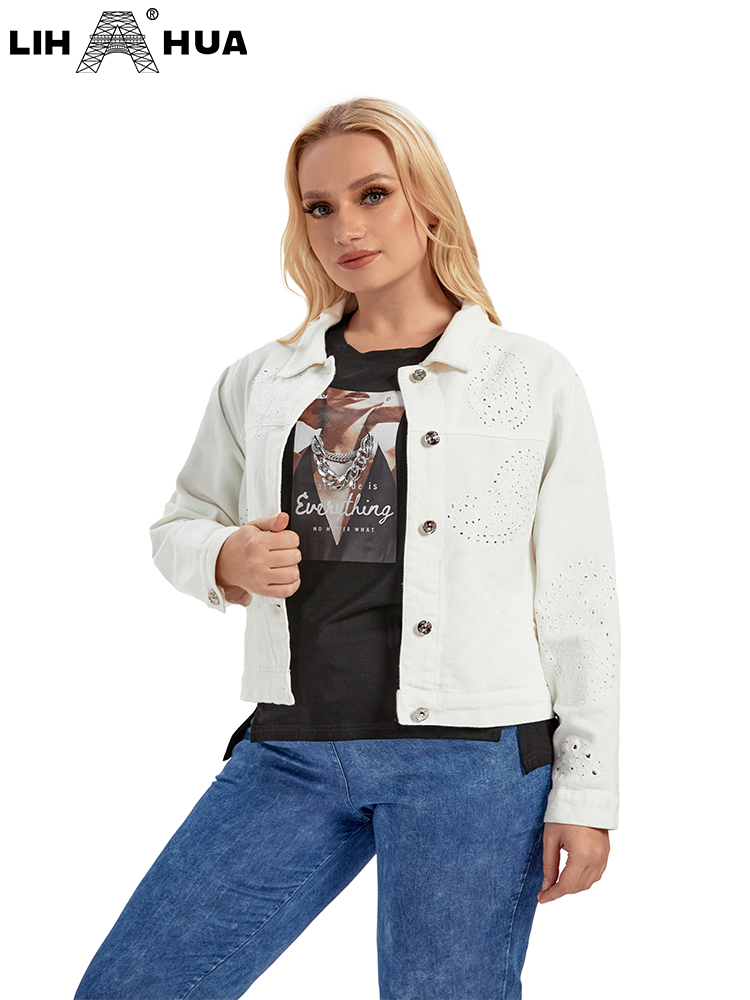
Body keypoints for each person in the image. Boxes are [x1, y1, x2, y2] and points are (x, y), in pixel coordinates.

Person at [73, 97, 620, 1000]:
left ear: (427, 200)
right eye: (319, 207)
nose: (345, 228)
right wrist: (224, 558)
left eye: (373, 194)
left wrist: (588, 795)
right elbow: (180, 522)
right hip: (293, 745)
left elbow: (580, 595)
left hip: (473, 760)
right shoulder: (264, 377)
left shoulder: (529, 377)